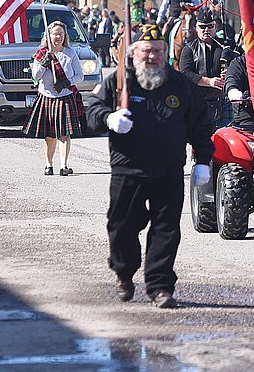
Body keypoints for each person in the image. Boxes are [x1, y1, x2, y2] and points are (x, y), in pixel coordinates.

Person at [87, 24, 215, 309]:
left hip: (168, 170)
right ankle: (123, 271)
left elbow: (200, 124)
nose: (152, 56)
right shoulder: (120, 82)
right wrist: (109, 118)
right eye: (146, 51)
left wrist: (203, 160)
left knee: (166, 229)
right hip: (127, 169)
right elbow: (92, 110)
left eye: (158, 51)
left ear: (165, 53)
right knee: (121, 227)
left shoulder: (180, 85)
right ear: (135, 53)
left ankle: (160, 286)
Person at [23, 22, 85, 176]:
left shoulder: (70, 53)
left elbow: (80, 75)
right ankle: (48, 164)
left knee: (65, 134)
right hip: (47, 97)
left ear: (65, 37)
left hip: (65, 97)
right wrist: (44, 62)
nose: (58, 37)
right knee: (50, 135)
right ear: (49, 36)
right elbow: (36, 76)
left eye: (61, 34)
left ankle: (64, 165)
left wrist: (66, 82)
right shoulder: (41, 54)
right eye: (55, 34)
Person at [177, 9, 234, 128]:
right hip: (199, 101)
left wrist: (230, 73)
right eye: (202, 27)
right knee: (200, 142)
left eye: (210, 26)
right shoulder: (189, 49)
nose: (206, 30)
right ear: (195, 28)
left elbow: (242, 64)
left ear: (216, 26)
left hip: (224, 100)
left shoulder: (227, 46)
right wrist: (210, 82)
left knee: (224, 140)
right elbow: (185, 73)